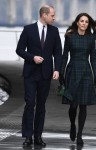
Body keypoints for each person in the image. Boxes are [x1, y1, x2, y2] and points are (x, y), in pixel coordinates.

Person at [16, 5, 62, 147]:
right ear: (44, 15)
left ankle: (38, 136)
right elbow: (19, 50)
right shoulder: (28, 29)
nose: (54, 18)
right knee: (30, 103)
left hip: (46, 74)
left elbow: (58, 52)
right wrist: (32, 57)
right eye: (52, 15)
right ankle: (28, 136)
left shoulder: (54, 31)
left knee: (41, 106)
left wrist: (57, 69)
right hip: (30, 73)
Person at [59, 13, 96, 146]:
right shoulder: (70, 36)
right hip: (72, 70)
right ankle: (72, 125)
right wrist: (61, 72)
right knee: (73, 105)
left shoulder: (91, 38)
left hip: (86, 72)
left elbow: (93, 58)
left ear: (88, 24)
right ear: (77, 22)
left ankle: (80, 134)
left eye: (86, 22)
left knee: (83, 105)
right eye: (82, 21)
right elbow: (65, 56)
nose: (84, 23)